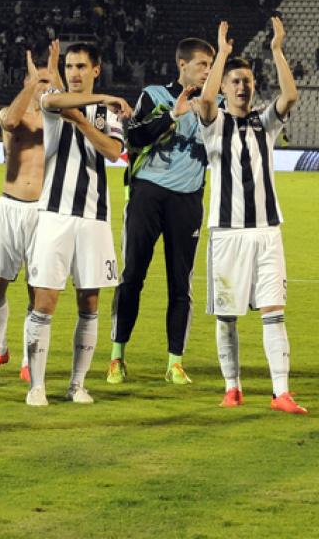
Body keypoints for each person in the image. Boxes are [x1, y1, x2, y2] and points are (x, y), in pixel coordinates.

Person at [192, 18, 307, 414]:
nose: (242, 86)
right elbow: (205, 102)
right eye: (235, 81)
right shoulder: (214, 124)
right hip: (227, 234)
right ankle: (232, 387)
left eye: (247, 81)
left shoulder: (264, 122)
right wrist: (221, 56)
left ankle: (281, 392)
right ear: (225, 87)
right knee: (227, 317)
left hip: (267, 232)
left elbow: (290, 95)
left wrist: (276, 50)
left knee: (274, 312)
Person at [23, 43, 133, 406]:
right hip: (54, 215)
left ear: (96, 69)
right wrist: (102, 98)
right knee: (44, 301)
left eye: (81, 66)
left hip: (93, 218)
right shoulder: (54, 100)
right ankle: (37, 386)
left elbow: (113, 151)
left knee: (90, 302)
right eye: (69, 66)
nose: (74, 72)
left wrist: (85, 119)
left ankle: (77, 385)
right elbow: (53, 101)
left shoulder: (106, 114)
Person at [106, 36, 214, 386]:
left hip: (188, 199)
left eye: (211, 66)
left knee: (181, 283)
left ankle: (175, 363)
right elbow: (134, 138)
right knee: (132, 276)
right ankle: (117, 357)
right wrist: (172, 115)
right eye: (202, 64)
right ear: (183, 64)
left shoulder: (214, 105)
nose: (207, 71)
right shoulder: (154, 95)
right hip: (148, 194)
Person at [0, 42, 61, 380]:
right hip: (9, 207)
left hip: (43, 211)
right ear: (27, 82)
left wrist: (53, 71)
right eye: (38, 81)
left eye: (47, 82)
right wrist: (33, 81)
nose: (43, 86)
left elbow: (67, 103)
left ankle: (28, 360)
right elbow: (11, 121)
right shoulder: (10, 114)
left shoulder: (57, 120)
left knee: (35, 286)